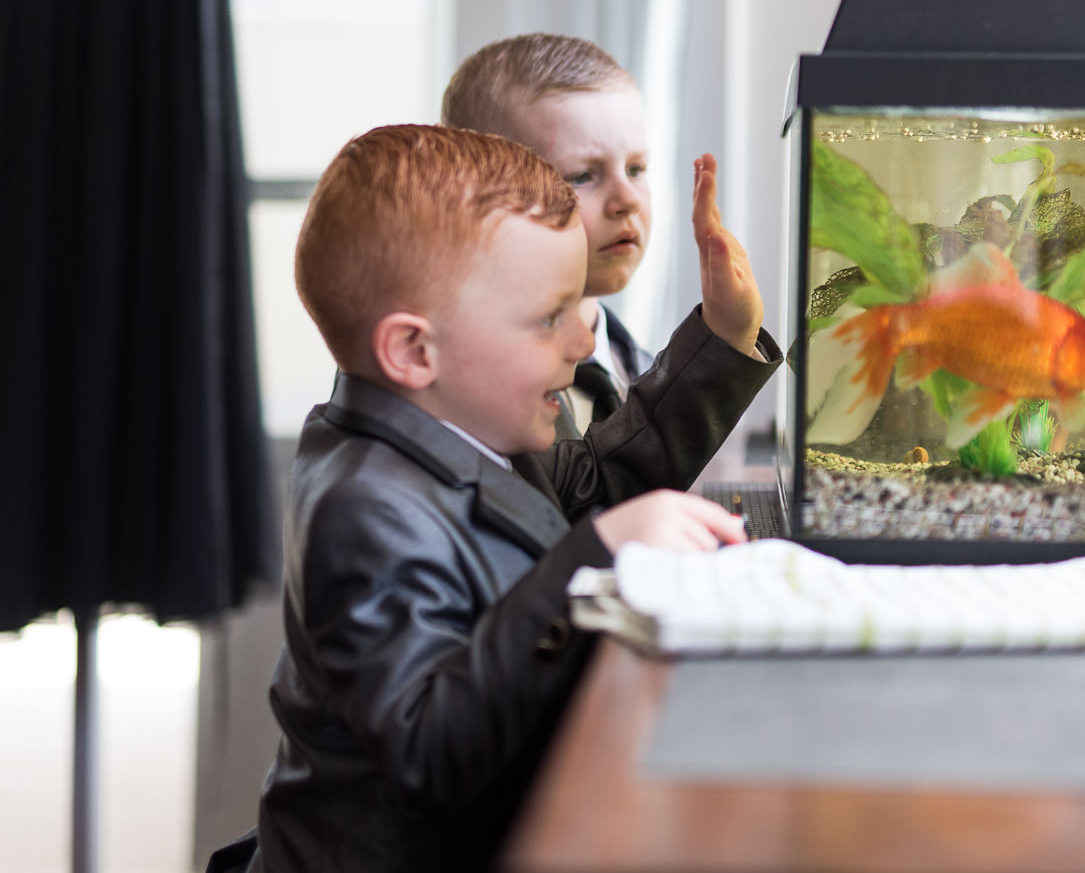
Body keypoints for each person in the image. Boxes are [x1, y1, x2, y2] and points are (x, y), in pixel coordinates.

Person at [244, 125, 779, 872]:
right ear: (414, 351)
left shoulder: (460, 430)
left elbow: (595, 486)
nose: (584, 342)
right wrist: (595, 556)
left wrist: (721, 341)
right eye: (547, 318)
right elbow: (430, 751)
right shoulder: (363, 509)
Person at [441, 35, 659, 438]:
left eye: (636, 168)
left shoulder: (643, 372)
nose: (626, 200)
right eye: (581, 176)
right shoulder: (469, 405)